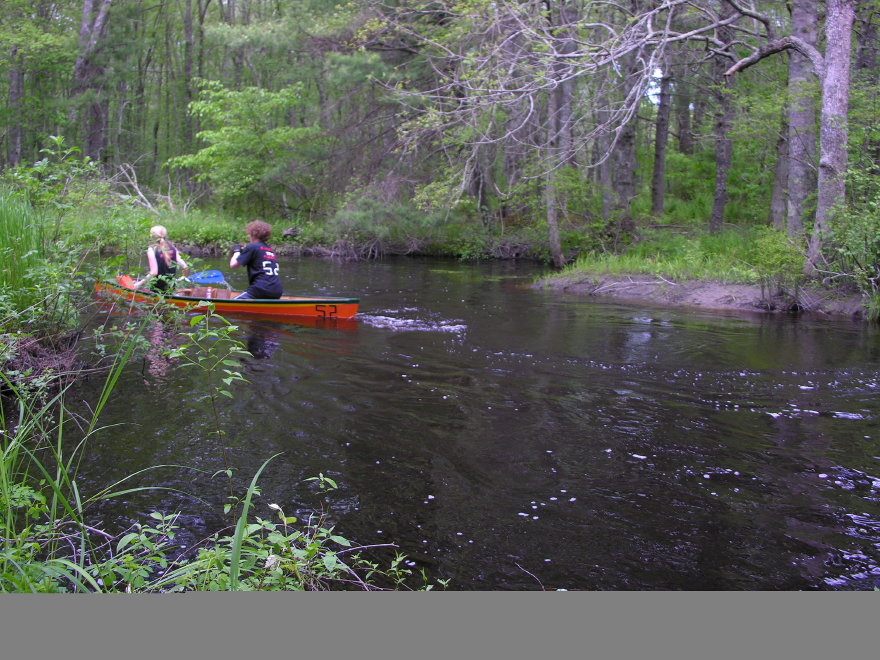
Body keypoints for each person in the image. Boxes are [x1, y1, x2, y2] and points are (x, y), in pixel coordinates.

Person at [229, 220, 282, 300]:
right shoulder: (270, 250)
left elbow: (233, 265)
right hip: (277, 291)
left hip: (260, 289)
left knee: (233, 302)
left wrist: (237, 251)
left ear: (253, 234)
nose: (248, 236)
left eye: (249, 233)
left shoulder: (252, 247)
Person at [132, 225, 188, 292]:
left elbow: (154, 272)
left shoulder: (151, 249)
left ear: (152, 236)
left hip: (156, 289)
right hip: (171, 288)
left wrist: (138, 284)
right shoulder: (173, 248)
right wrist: (182, 278)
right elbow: (185, 266)